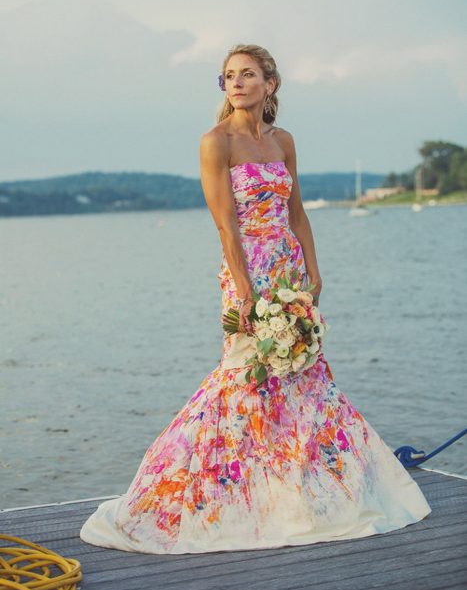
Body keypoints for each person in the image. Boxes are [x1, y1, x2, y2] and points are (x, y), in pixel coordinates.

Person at [79, 43, 431, 555]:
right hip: (247, 269)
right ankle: (205, 485)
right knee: (245, 376)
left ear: (270, 83)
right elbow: (225, 223)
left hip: (288, 267)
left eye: (248, 74)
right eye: (228, 76)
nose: (237, 83)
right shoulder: (214, 141)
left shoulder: (284, 140)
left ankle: (296, 487)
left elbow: (298, 212)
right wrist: (242, 285)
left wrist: (314, 269)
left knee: (303, 372)